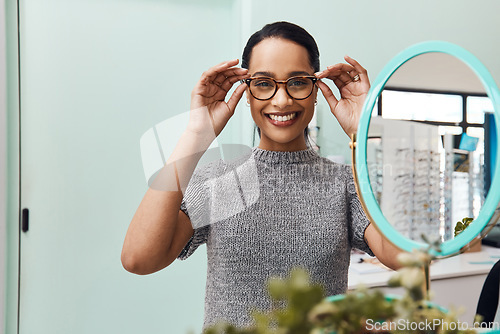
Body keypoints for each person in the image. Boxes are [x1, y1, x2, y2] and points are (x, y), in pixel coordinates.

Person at [121, 21, 401, 330]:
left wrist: (363, 135)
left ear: (317, 89)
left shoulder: (346, 183)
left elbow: (402, 256)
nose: (281, 100)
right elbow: (139, 259)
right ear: (247, 91)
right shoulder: (219, 179)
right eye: (264, 83)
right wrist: (196, 134)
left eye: (297, 82)